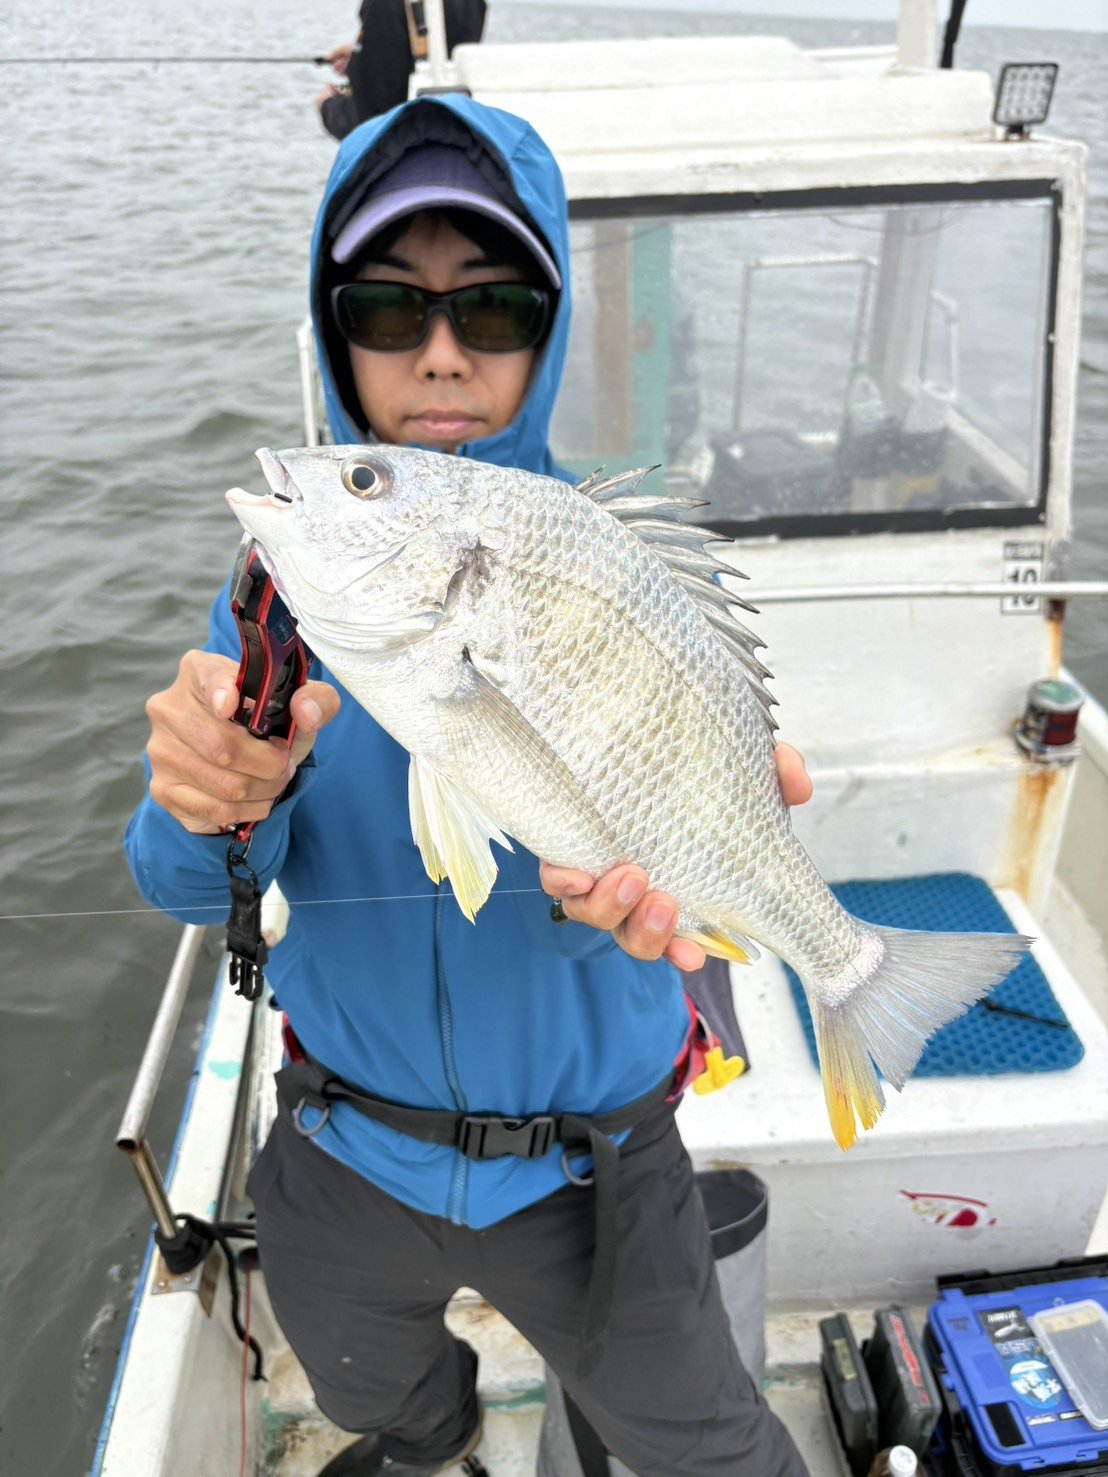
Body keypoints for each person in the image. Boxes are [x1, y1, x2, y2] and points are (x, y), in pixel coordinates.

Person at [125, 94, 814, 1477]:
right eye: (387, 308)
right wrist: (206, 799)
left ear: (548, 333)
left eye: (491, 308)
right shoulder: (285, 590)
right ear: (335, 331)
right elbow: (190, 886)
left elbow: (650, 865)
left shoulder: (606, 563)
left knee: (709, 1445)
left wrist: (643, 895)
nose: (440, 352)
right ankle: (430, 1440)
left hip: (598, 1169)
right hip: (342, 1145)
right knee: (373, 1391)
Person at [316, 0, 488, 140]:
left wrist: (327, 105)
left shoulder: (383, 5)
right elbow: (442, 54)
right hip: (458, 138)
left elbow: (370, 120)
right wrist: (359, 58)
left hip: (410, 149)